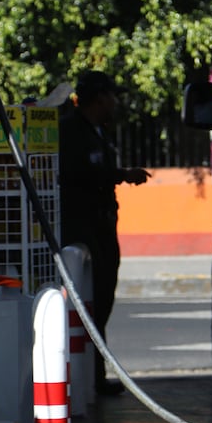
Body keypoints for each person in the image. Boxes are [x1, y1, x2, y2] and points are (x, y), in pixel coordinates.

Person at [59, 70, 150, 396]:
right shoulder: (71, 131)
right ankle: (89, 378)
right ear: (99, 98)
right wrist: (121, 175)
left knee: (103, 297)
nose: (115, 102)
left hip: (103, 225)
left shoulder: (98, 132)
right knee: (91, 299)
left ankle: (94, 376)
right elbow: (76, 173)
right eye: (112, 96)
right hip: (83, 227)